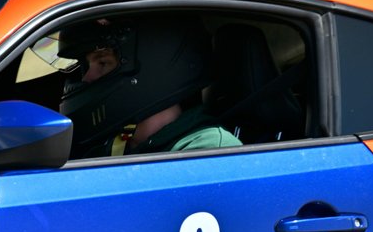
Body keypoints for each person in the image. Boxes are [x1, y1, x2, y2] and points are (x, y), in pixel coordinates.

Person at [53, 14, 242, 158]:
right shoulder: (117, 145)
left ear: (154, 68)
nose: (87, 78)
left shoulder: (210, 151)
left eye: (103, 63)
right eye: (88, 66)